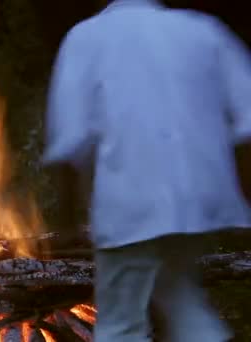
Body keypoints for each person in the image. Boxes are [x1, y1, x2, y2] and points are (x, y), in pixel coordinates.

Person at [41, 0, 251, 341]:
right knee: (184, 302)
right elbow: (248, 121)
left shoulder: (87, 37)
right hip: (199, 204)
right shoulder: (201, 29)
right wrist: (242, 200)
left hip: (132, 203)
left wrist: (66, 221)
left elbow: (70, 141)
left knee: (121, 324)